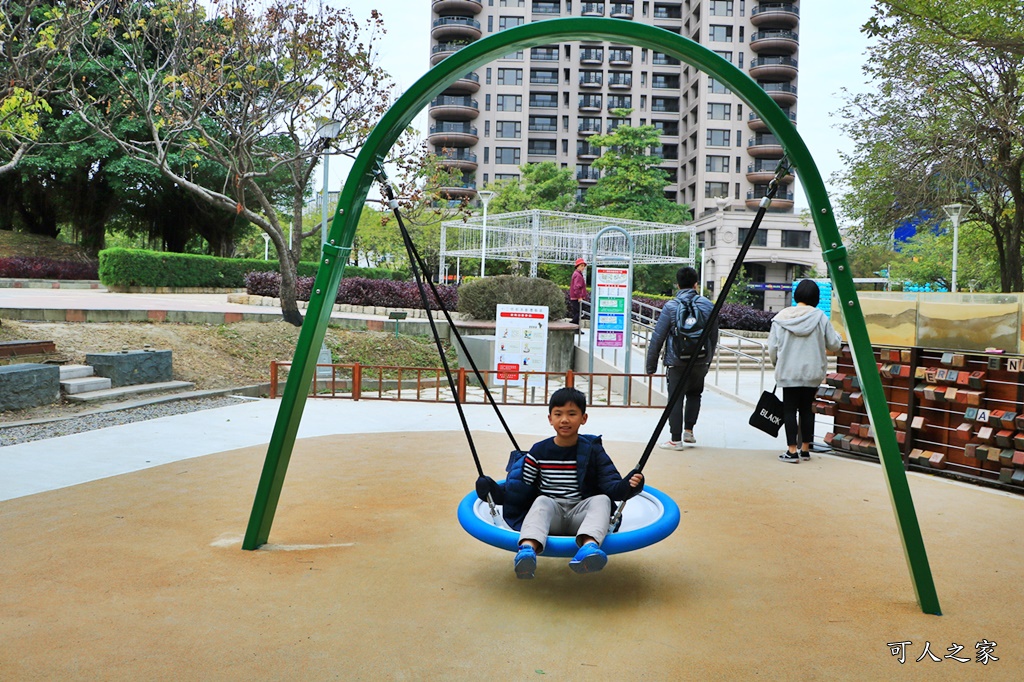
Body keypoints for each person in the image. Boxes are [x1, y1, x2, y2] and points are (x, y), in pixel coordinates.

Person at [475, 387, 644, 579]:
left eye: (572, 414)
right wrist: (491, 491)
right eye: (558, 414)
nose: (565, 420)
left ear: (583, 418)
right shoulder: (539, 452)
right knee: (541, 502)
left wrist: (631, 485)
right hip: (551, 516)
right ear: (550, 419)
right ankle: (527, 551)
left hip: (582, 517)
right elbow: (518, 489)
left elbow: (612, 487)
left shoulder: (592, 451)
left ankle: (588, 548)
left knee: (602, 500)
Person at [768, 279, 843, 463]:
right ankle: (806, 449)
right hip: (812, 373)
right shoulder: (820, 317)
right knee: (807, 410)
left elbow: (772, 348)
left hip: (788, 372)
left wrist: (777, 364)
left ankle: (791, 451)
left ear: (797, 295)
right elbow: (834, 343)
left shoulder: (781, 318)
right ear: (816, 297)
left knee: (789, 411)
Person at [645, 266, 718, 449]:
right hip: (700, 360)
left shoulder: (671, 306)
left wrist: (650, 366)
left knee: (675, 398)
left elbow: (657, 338)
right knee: (695, 394)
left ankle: (675, 440)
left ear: (678, 285)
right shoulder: (708, 305)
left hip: (676, 361)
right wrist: (708, 359)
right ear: (696, 284)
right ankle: (689, 431)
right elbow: (714, 335)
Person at [569, 257, 588, 328]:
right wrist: (579, 297)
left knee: (577, 313)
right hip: (576, 298)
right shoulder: (578, 275)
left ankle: (576, 329)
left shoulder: (576, 274)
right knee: (578, 313)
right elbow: (576, 287)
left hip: (574, 297)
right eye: (581, 266)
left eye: (583, 266)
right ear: (577, 266)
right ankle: (572, 325)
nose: (583, 267)